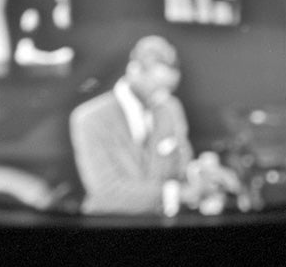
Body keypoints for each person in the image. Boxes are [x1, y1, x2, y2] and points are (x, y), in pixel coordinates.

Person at [70, 35, 239, 214]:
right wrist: (179, 194)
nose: (164, 96)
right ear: (134, 70)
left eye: (170, 88)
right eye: (157, 86)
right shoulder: (88, 118)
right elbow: (107, 192)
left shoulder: (171, 107)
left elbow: (182, 166)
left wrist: (205, 173)